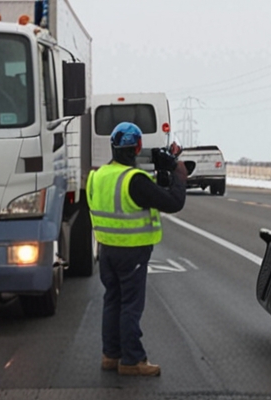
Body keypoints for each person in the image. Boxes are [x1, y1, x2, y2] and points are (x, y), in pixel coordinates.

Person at [86, 122, 187, 377]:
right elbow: (173, 202)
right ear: (138, 147)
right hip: (132, 252)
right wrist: (179, 172)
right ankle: (132, 360)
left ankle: (111, 355)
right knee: (131, 305)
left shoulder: (98, 176)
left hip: (106, 249)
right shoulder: (134, 180)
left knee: (112, 301)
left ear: (113, 146)